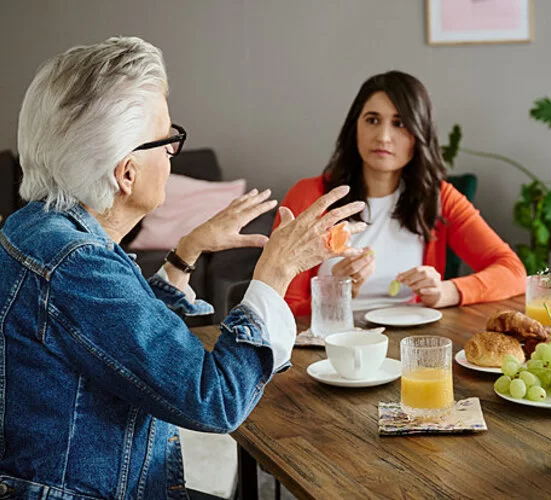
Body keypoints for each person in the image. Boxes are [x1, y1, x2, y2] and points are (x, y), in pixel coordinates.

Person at [0, 37, 365, 499]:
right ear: (126, 173)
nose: (174, 152)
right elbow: (214, 398)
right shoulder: (77, 264)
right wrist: (276, 270)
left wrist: (184, 255)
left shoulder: (36, 228)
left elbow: (118, 334)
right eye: (169, 140)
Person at [275, 71, 526, 316]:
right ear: (355, 129)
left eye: (400, 124)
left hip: (410, 344)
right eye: (372, 120)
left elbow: (513, 270)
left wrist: (445, 292)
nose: (383, 137)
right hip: (325, 344)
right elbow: (275, 306)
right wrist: (334, 292)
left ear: (419, 135)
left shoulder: (440, 198)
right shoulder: (309, 197)